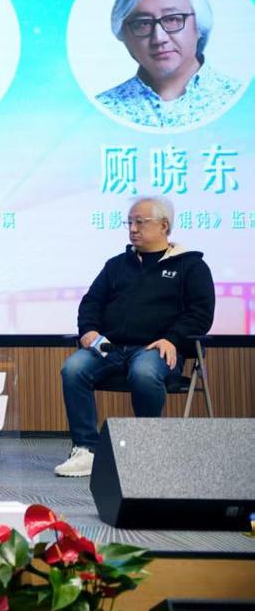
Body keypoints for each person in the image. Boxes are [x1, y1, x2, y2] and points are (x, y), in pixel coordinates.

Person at [55, 195, 215, 477]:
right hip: (110, 347)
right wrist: (89, 330)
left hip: (157, 349)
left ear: (164, 225)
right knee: (74, 368)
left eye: (140, 222)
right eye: (129, 222)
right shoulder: (117, 265)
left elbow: (200, 313)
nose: (132, 229)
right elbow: (91, 302)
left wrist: (173, 339)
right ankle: (86, 449)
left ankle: (147, 449)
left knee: (143, 372)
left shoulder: (190, 266)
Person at [96, 0, 244, 129]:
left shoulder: (241, 101)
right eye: (143, 23)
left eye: (172, 19)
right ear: (124, 34)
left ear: (199, 26)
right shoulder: (102, 110)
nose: (159, 38)